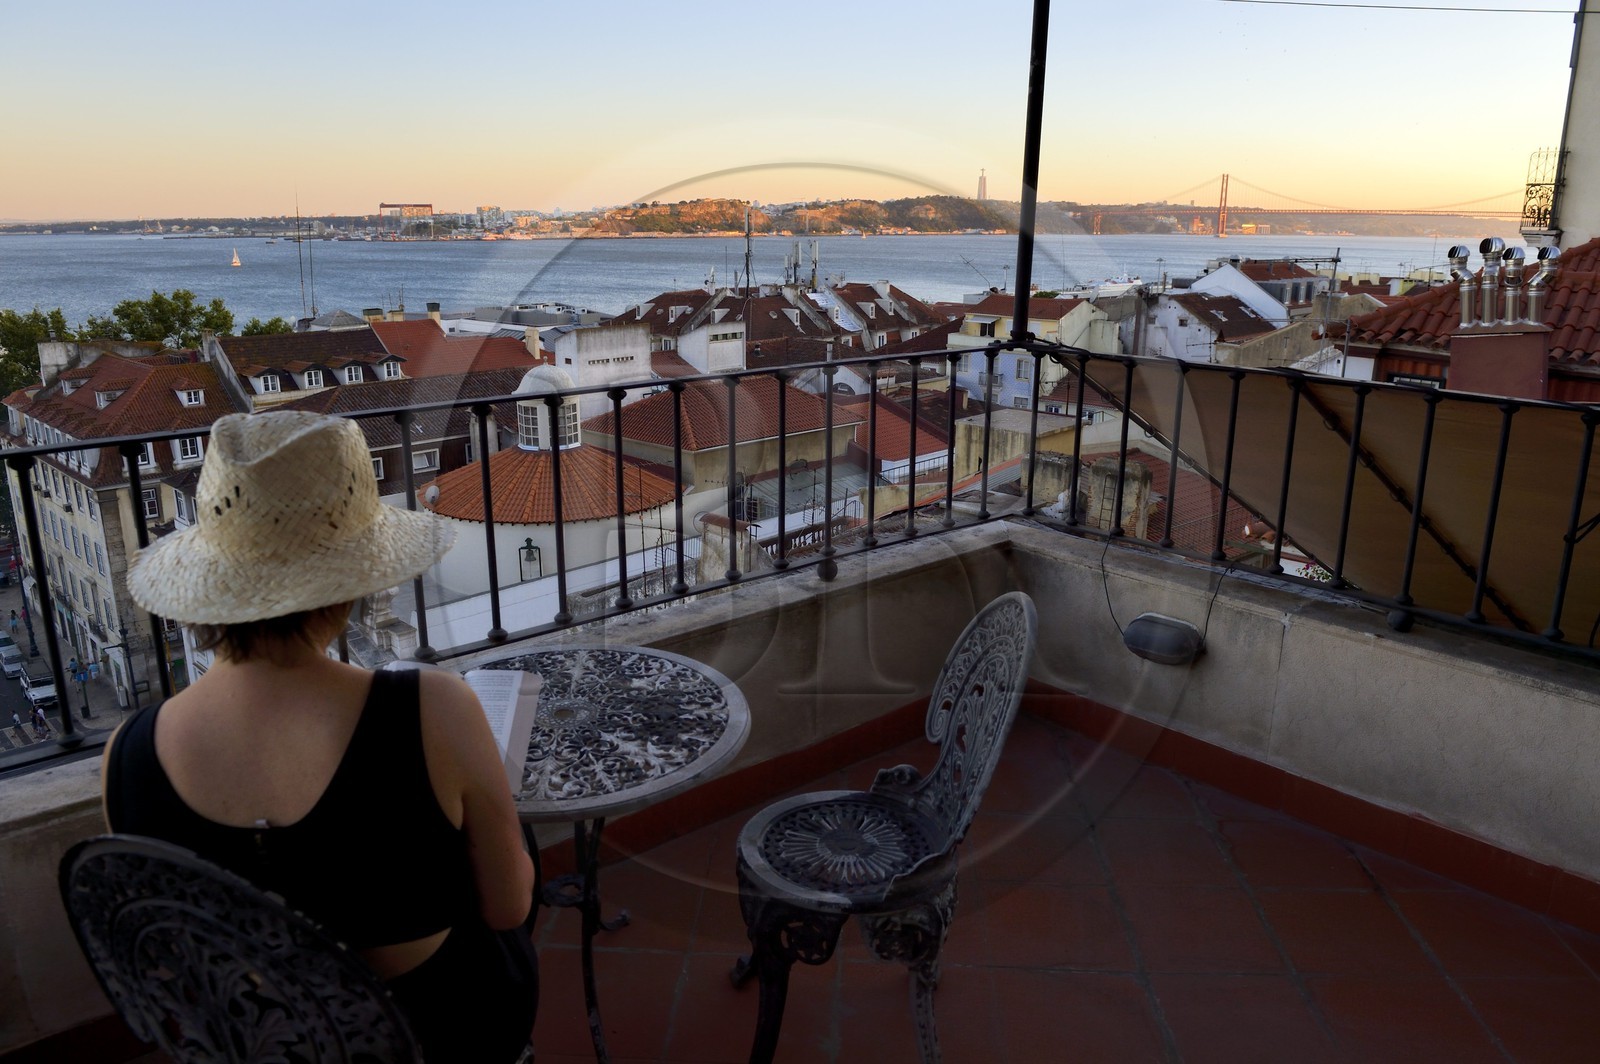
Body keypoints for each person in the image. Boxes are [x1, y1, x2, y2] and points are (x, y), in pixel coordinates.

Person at [100, 411, 538, 1062]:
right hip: (432, 1035)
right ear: (349, 580)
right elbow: (507, 908)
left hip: (261, 1045)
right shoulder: (431, 710)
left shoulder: (128, 755)